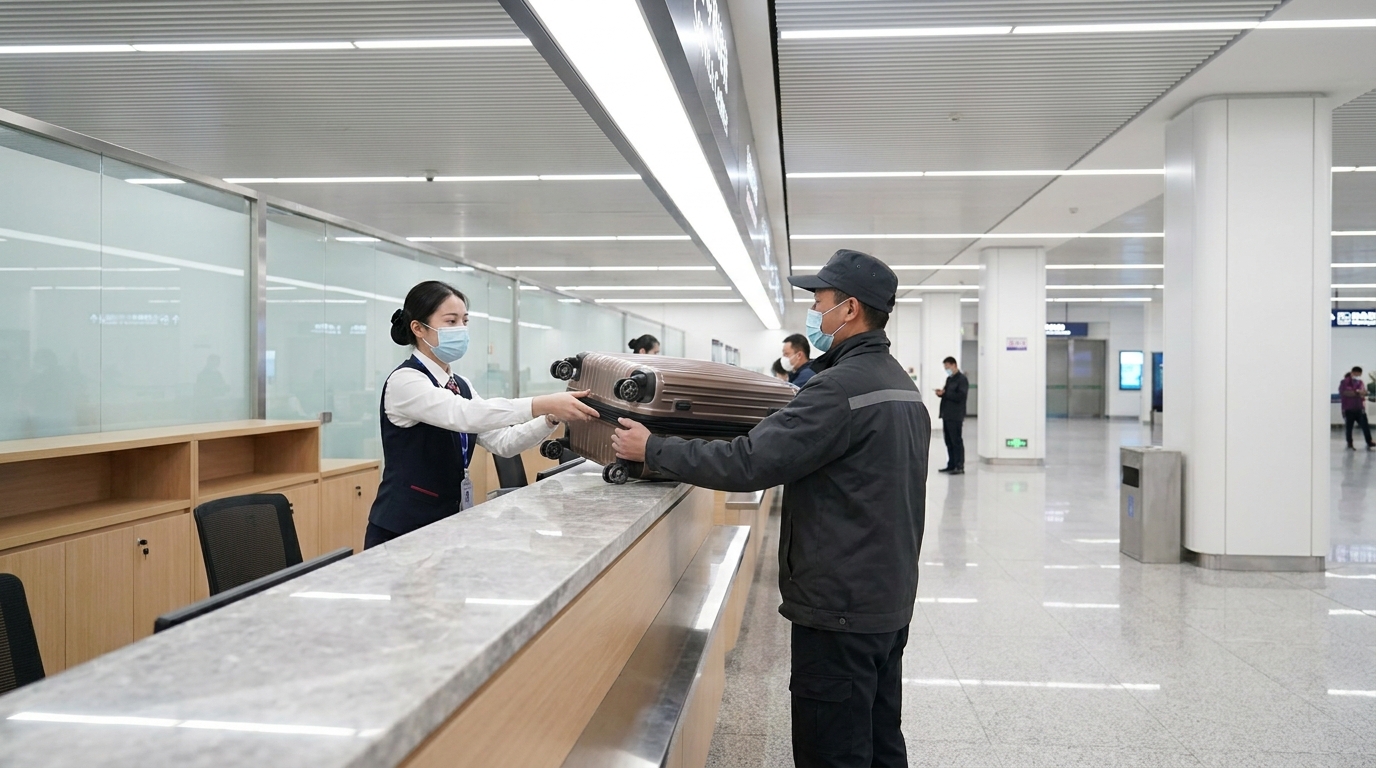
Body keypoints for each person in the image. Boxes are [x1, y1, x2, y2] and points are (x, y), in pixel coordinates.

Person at [612, 249, 929, 768]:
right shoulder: (899, 384)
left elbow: (750, 462)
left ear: (849, 309)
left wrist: (652, 448)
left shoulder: (838, 388)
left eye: (819, 301)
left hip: (839, 606)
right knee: (879, 738)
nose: (812, 311)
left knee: (833, 749)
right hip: (886, 597)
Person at [365, 281, 599, 549]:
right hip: (404, 528)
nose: (460, 329)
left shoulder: (460, 384)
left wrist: (550, 419)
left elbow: (503, 442)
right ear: (418, 328)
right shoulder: (406, 381)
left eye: (464, 321)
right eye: (450, 321)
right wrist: (542, 403)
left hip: (448, 523)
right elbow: (463, 415)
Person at [935, 356, 969, 474]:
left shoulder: (962, 379)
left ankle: (959, 466)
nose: (947, 370)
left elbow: (961, 396)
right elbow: (946, 393)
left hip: (956, 415)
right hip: (947, 414)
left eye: (948, 367)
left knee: (956, 441)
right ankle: (951, 464)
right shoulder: (949, 379)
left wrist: (946, 393)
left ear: (954, 365)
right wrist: (941, 393)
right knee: (948, 441)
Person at [1339, 366, 1374, 450]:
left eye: (1359, 374)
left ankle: (1369, 442)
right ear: (1352, 372)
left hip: (1359, 408)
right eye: (1356, 373)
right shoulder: (1344, 382)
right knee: (1349, 427)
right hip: (1348, 408)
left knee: (1365, 425)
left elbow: (1363, 392)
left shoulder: (1360, 382)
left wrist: (1363, 393)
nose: (1357, 375)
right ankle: (1349, 443)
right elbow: (1346, 393)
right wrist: (1357, 392)